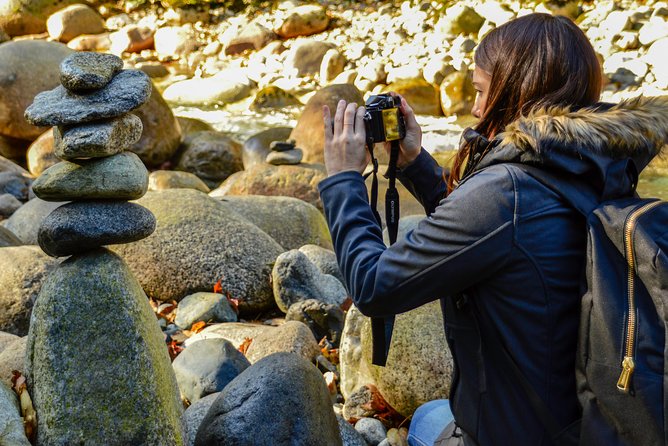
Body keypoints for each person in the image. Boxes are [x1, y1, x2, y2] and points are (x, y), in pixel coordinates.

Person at [317, 12, 668, 446]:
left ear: (517, 89)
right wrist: (413, 163)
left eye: (482, 91)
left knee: (426, 424)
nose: (477, 109)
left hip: (513, 435)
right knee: (430, 413)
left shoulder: (506, 193)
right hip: (585, 420)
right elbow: (491, 232)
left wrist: (344, 181)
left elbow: (373, 287)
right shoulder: (593, 161)